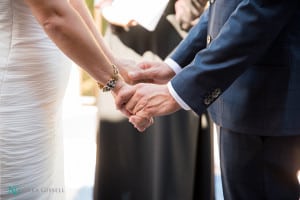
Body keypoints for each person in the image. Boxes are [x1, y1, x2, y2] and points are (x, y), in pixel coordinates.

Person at [117, 0, 300, 199]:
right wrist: (176, 64)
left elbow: (260, 9)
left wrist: (176, 92)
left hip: (266, 100)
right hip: (241, 98)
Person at [0, 0, 134, 199]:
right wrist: (116, 85)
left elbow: (72, 3)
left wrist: (113, 62)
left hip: (41, 111)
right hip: (16, 108)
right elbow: (55, 17)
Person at [93, 1, 211, 200]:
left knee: (169, 158)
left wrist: (188, 8)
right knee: (119, 149)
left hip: (172, 41)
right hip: (119, 41)